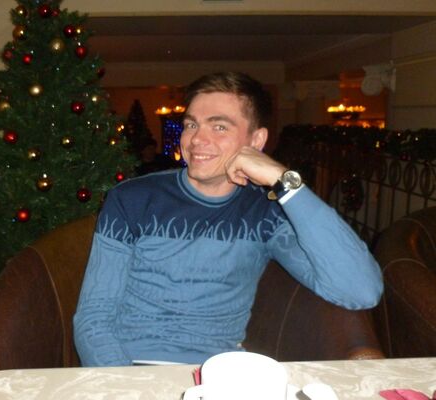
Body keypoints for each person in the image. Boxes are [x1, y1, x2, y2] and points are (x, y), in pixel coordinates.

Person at [73, 71, 383, 366]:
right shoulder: (132, 199)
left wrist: (285, 181)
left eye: (219, 127)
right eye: (191, 124)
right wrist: (128, 388)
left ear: (256, 141)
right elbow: (94, 319)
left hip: (220, 375)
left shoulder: (266, 213)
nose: (196, 140)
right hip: (133, 367)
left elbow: (361, 290)